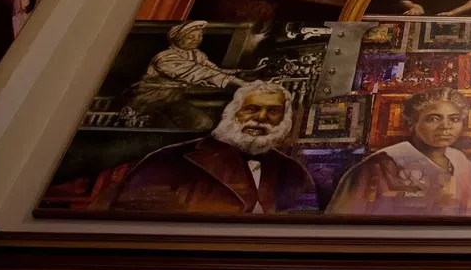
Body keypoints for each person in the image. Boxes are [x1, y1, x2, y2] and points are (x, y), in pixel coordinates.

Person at [105, 81, 317, 214]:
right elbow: (132, 221)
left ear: (284, 119)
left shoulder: (294, 172)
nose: (261, 118)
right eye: (251, 109)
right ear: (232, 112)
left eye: (273, 111)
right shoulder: (170, 159)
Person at [327, 87, 471, 215]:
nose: (446, 126)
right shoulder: (379, 167)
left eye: (454, 119)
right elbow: (344, 223)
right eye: (434, 119)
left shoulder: (459, 161)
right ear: (412, 123)